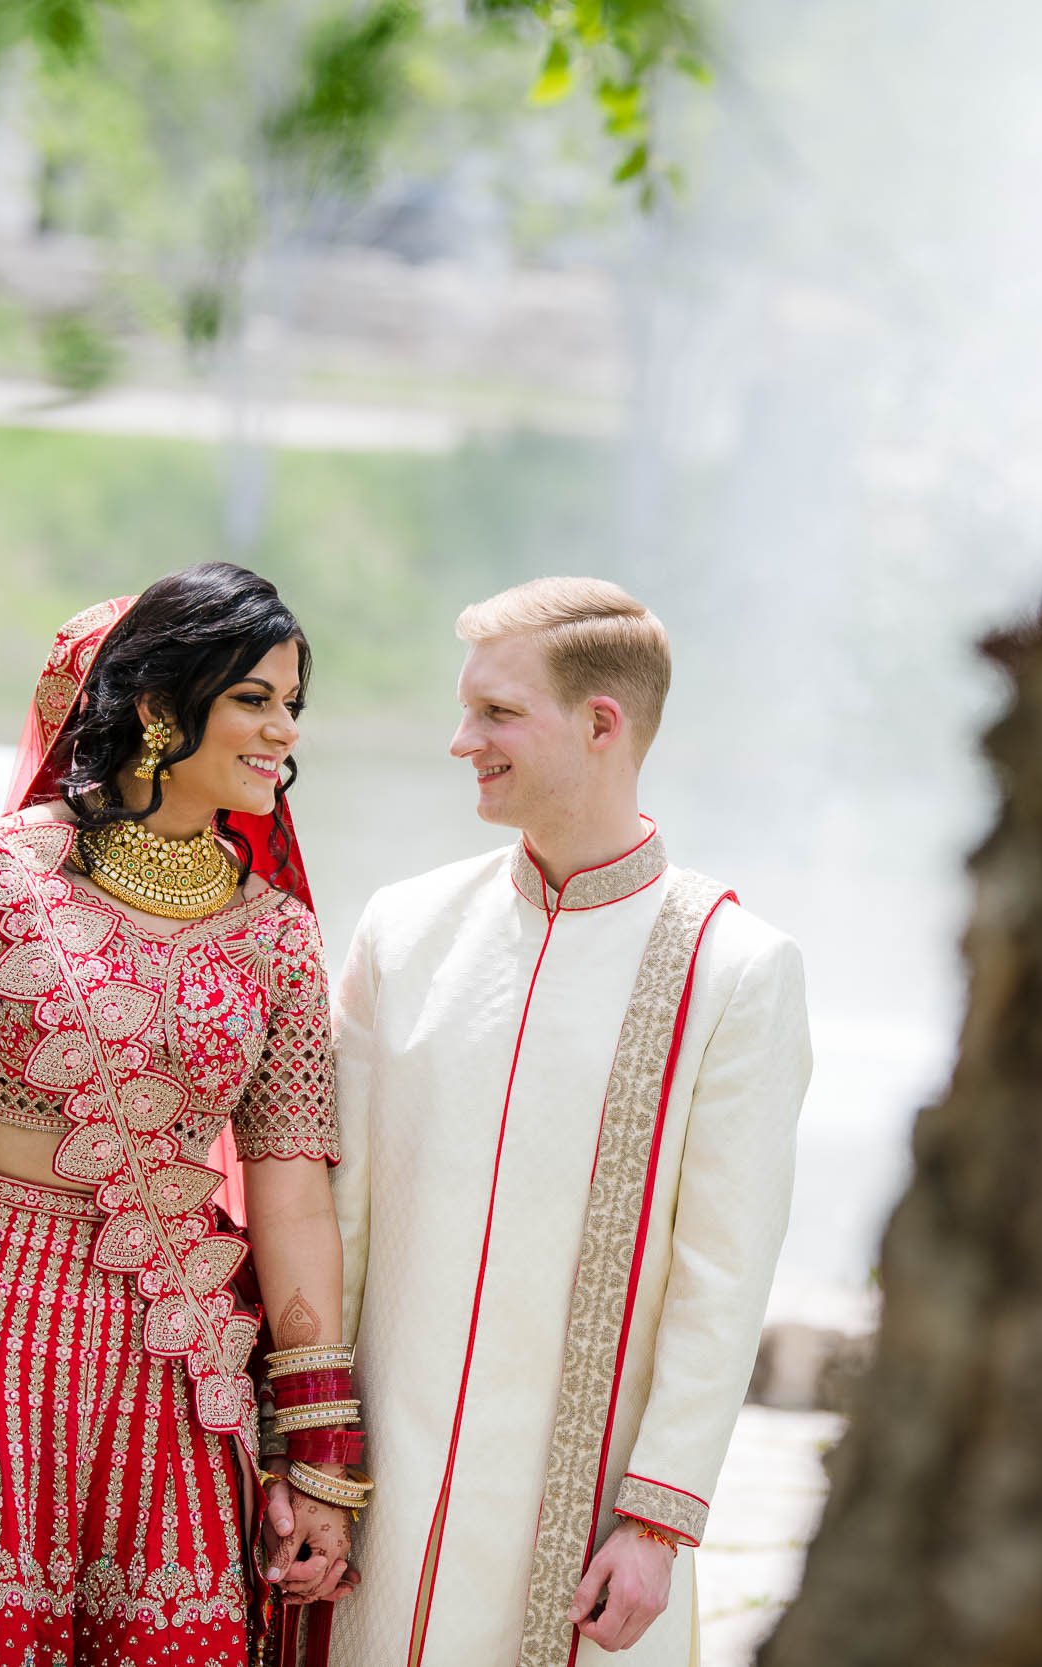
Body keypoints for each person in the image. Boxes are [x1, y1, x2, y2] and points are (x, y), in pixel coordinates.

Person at [0, 564, 364, 1667]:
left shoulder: (277, 937)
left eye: (293, 705)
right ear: (157, 706)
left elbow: (293, 1193)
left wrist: (318, 1443)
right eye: (255, 699)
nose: (284, 732)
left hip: (177, 1352)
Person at [328, 577, 814, 1667]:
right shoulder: (402, 930)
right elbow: (336, 1210)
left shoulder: (732, 968)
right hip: (377, 1507)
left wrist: (656, 1522)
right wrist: (304, 1452)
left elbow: (723, 1273)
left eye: (497, 713)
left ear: (602, 723)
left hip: (583, 1536)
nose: (462, 740)